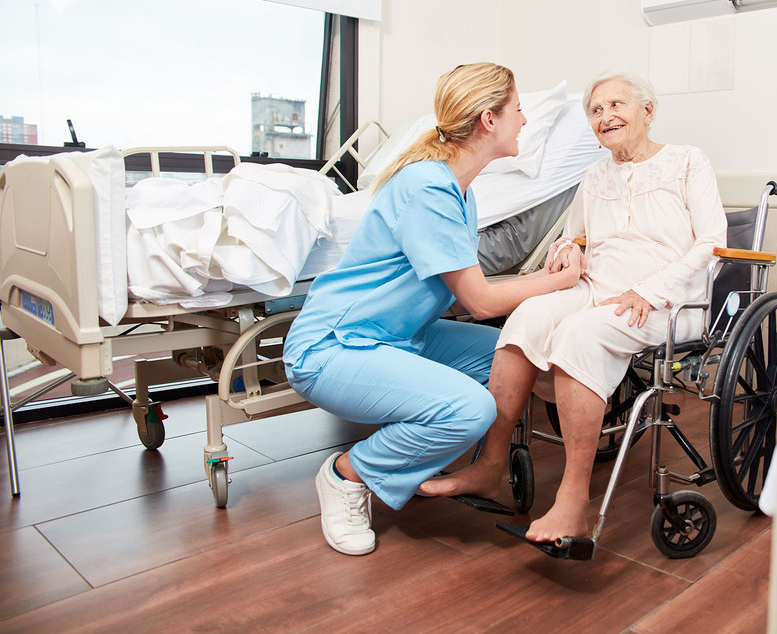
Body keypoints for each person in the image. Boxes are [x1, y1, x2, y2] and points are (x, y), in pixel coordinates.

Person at [282, 63, 581, 556]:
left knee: (519, 350)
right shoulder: (428, 187)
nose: (524, 120)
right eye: (518, 110)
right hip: (333, 346)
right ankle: (346, 475)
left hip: (401, 336)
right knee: (470, 409)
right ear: (489, 120)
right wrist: (559, 281)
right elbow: (480, 301)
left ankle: (486, 468)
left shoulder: (460, 188)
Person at [420, 70, 727, 543]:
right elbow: (574, 233)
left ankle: (573, 501)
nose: (605, 116)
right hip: (597, 287)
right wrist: (568, 249)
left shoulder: (688, 162)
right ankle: (490, 465)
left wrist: (650, 289)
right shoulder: (595, 174)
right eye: (596, 111)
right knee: (526, 318)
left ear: (647, 111)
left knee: (579, 333)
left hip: (665, 299)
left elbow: (712, 244)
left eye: (616, 105)